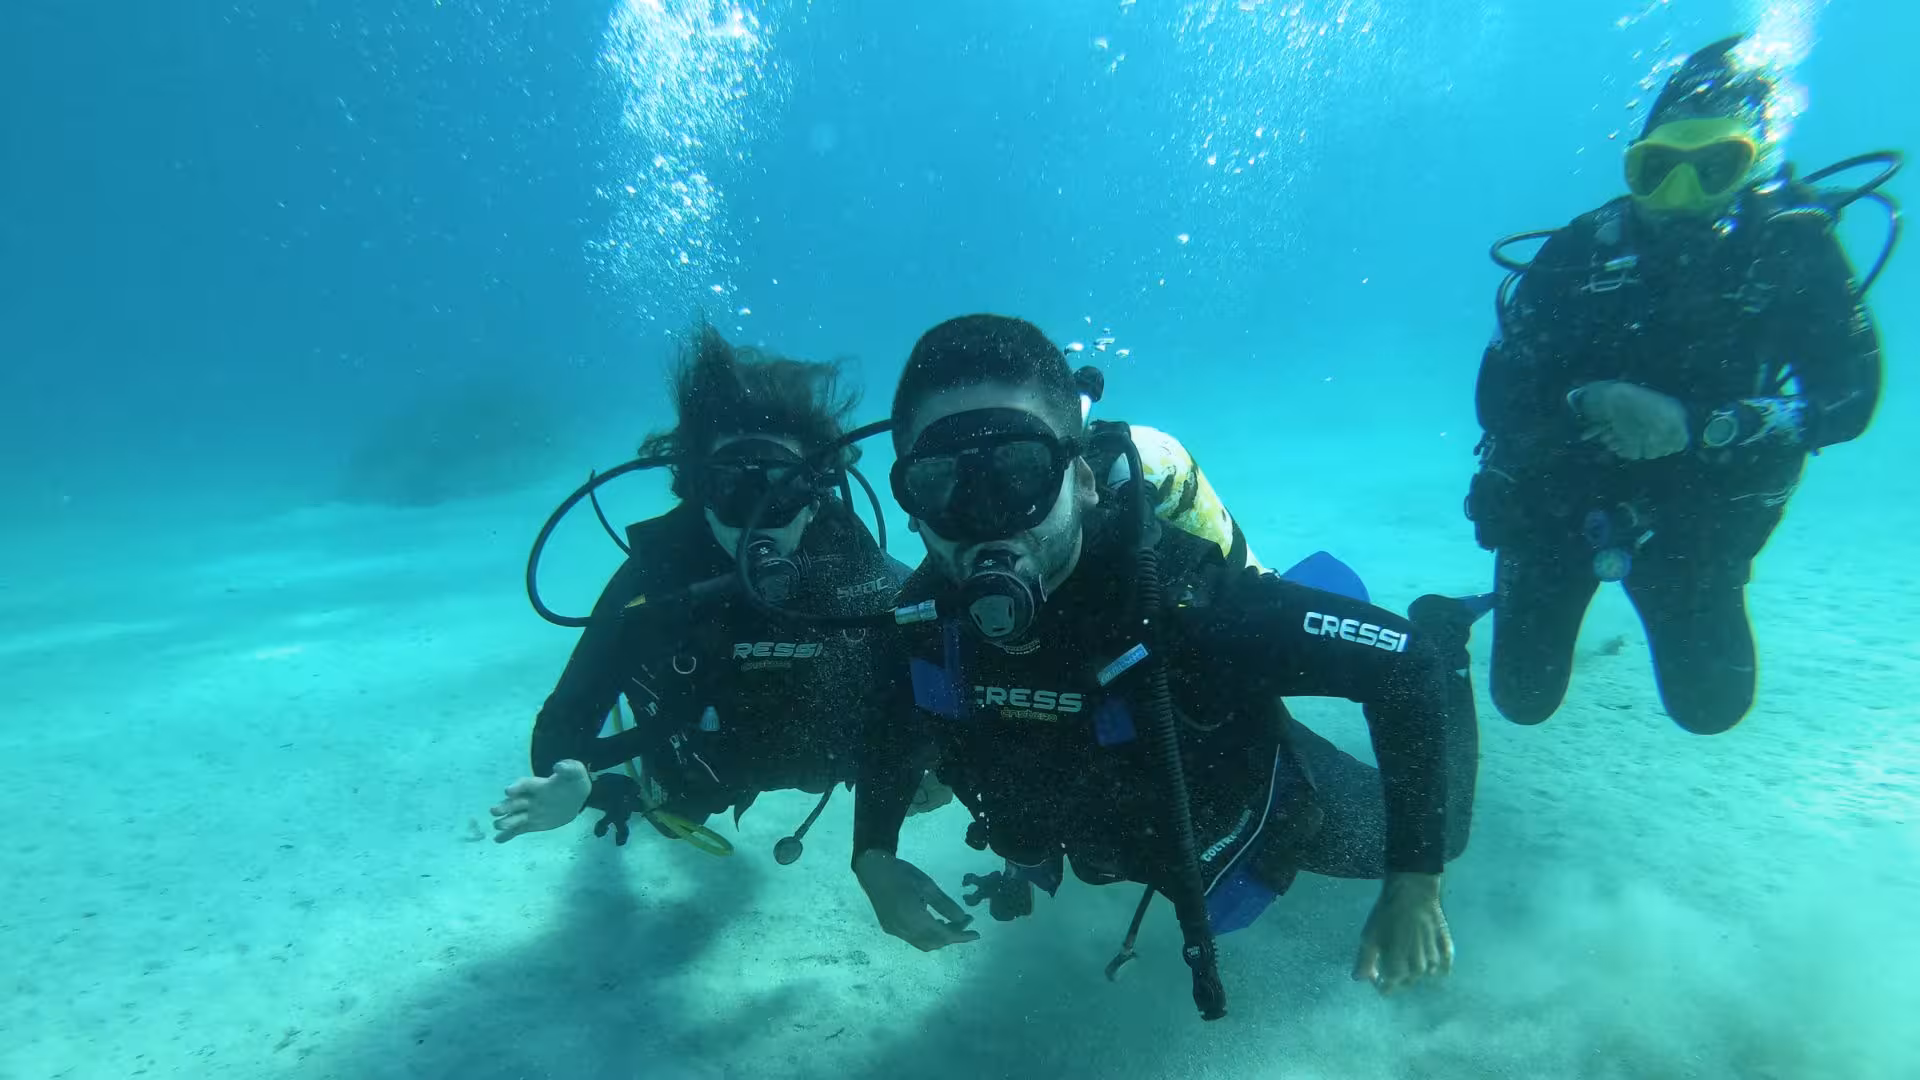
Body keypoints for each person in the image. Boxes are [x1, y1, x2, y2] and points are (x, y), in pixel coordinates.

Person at [850, 315, 1483, 1020]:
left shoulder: (1187, 605)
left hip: (1258, 806)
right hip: (1103, 829)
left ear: (1083, 478)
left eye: (1020, 472)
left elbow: (1403, 664)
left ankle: (1448, 620)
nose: (987, 518)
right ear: (909, 503)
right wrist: (871, 854)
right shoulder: (921, 623)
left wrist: (1414, 882)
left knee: (1443, 831)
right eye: (943, 483)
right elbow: (887, 719)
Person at [1466, 34, 1891, 735]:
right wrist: (1586, 402)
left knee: (1711, 708)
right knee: (1522, 698)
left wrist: (1711, 423)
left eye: (1716, 165)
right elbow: (1495, 398)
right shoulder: (1580, 251)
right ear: (1634, 165)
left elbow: (1851, 399)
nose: (1681, 195)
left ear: (1751, 166)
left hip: (1699, 512)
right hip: (1561, 499)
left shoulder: (1794, 251)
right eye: (1657, 169)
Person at [491, 324, 936, 861]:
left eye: (778, 490)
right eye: (732, 492)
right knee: (675, 822)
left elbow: (936, 666)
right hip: (701, 765)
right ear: (699, 498)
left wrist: (932, 762)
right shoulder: (660, 577)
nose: (754, 525)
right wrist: (585, 791)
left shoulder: (853, 565)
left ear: (814, 497)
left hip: (816, 754)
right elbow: (562, 729)